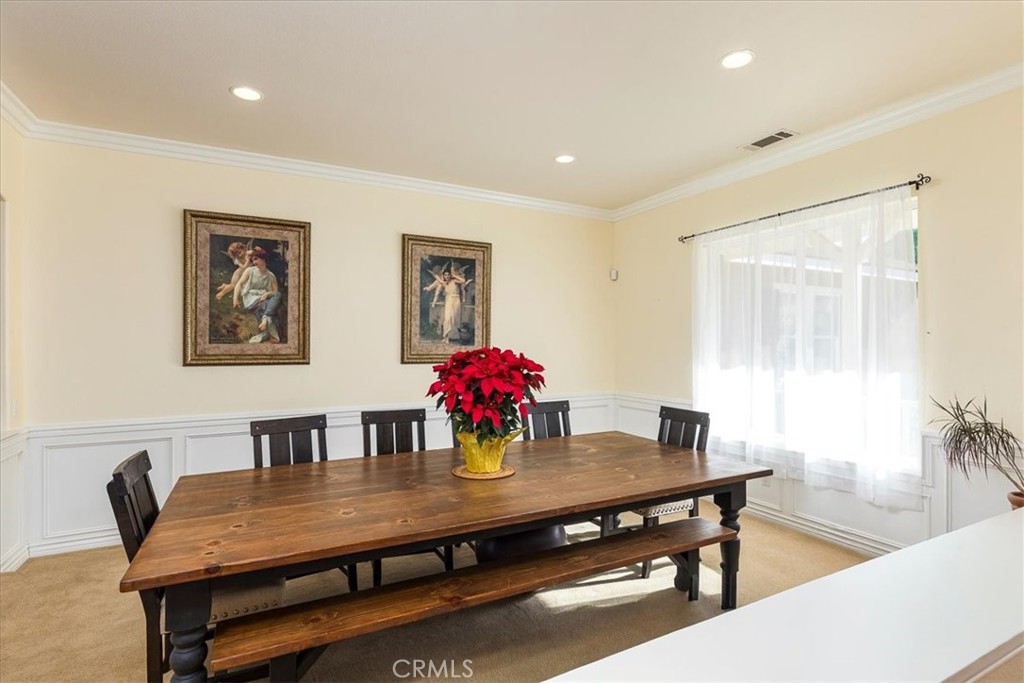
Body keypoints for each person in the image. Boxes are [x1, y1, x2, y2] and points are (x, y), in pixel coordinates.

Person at [233, 246, 282, 343]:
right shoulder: (250, 271)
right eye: (252, 260)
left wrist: (267, 293)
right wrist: (235, 299)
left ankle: (265, 320)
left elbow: (275, 292)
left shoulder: (271, 275)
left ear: (263, 259)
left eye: (256, 259)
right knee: (267, 305)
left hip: (263, 298)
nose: (254, 262)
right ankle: (271, 333)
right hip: (251, 299)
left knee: (278, 295)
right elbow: (239, 284)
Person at [424, 261, 470, 342]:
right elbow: (434, 286)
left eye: (448, 275)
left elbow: (462, 281)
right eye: (445, 275)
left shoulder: (454, 281)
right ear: (443, 276)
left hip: (456, 300)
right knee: (447, 318)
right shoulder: (443, 283)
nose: (447, 276)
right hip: (449, 300)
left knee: (455, 318)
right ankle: (446, 337)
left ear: (450, 275)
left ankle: (453, 336)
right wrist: (427, 289)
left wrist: (454, 275)